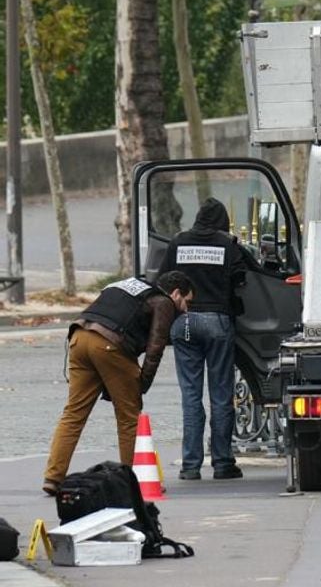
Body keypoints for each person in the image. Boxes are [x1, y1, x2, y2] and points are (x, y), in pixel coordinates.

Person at [43, 272, 194, 495]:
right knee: (129, 417)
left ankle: (53, 477)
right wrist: (141, 384)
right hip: (110, 345)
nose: (186, 309)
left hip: (78, 336)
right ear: (176, 293)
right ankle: (133, 480)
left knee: (73, 413)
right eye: (186, 302)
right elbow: (155, 347)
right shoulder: (164, 303)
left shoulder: (130, 284)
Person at [164, 198, 250, 481]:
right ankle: (223, 463)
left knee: (190, 395)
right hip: (217, 323)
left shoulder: (178, 242)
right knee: (221, 394)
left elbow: (163, 281)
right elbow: (241, 278)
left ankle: (191, 466)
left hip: (185, 322)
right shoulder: (227, 244)